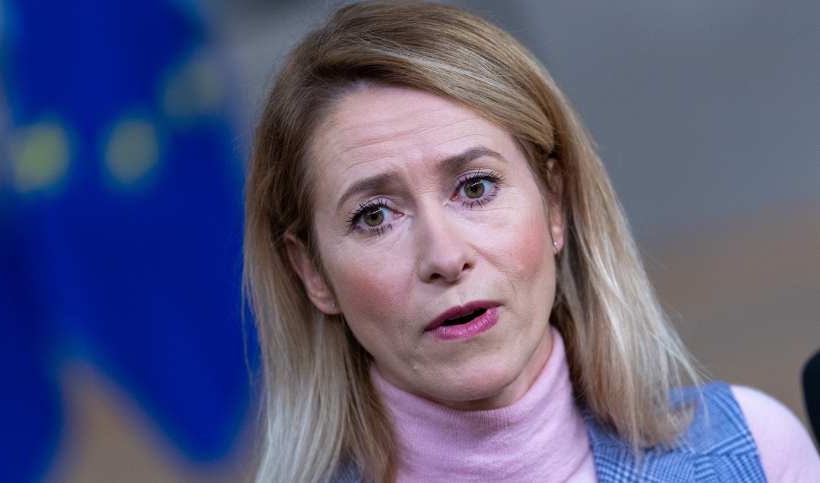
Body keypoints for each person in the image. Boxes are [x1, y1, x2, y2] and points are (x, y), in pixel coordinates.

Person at [243, 1, 820, 481]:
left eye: (475, 187)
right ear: (312, 273)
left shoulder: (754, 452)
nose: (445, 257)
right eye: (374, 217)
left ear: (555, 204)